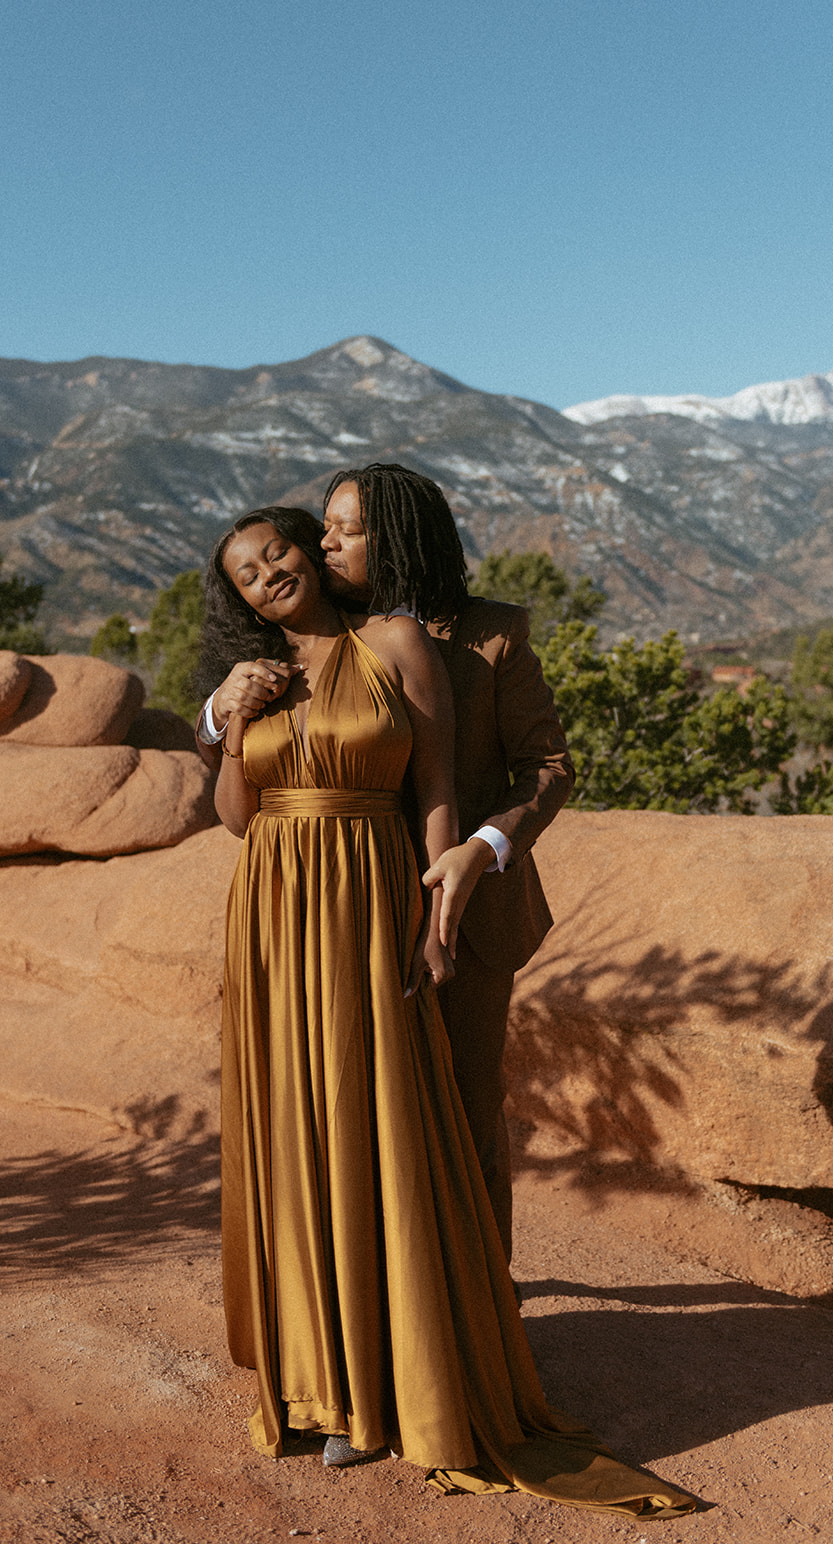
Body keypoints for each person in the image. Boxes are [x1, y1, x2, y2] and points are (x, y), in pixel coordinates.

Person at [199, 503, 694, 1515]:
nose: (271, 572)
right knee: (294, 1132)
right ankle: (314, 1374)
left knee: (388, 1125)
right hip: (273, 916)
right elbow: (234, 817)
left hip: (370, 898)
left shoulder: (395, 644)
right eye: (246, 571)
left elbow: (434, 785)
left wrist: (433, 918)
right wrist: (229, 720)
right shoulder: (255, 684)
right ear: (238, 595)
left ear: (314, 549)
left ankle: (409, 1371)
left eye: (285, 547)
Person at [317, 463, 573, 1264]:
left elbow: (547, 767)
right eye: (324, 525)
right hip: (347, 911)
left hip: (469, 917)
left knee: (464, 1113)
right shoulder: (322, 631)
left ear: (393, 537)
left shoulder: (492, 635)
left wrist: (481, 847)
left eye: (345, 528)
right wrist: (218, 714)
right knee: (355, 1119)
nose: (324, 541)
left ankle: (484, 1321)